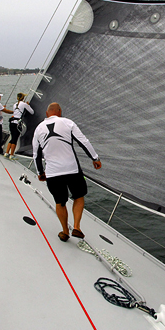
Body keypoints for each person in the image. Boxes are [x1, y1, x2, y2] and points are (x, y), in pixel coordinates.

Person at [33, 102, 102, 242]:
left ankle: (65, 231)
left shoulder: (38, 129)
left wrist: (40, 172)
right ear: (59, 111)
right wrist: (95, 158)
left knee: (60, 202)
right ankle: (76, 227)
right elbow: (83, 141)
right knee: (79, 196)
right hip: (72, 169)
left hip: (52, 173)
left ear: (47, 114)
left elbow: (36, 155)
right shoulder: (68, 123)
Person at [5, 92, 34, 159]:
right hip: (17, 124)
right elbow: (32, 112)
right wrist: (28, 105)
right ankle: (11, 155)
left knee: (12, 138)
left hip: (11, 122)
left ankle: (7, 153)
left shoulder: (14, 104)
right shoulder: (24, 104)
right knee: (15, 139)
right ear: (23, 98)